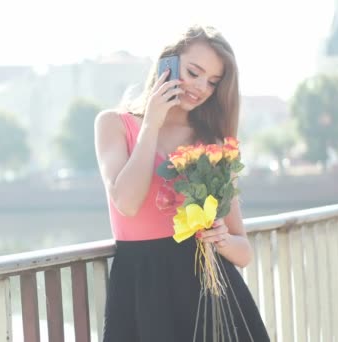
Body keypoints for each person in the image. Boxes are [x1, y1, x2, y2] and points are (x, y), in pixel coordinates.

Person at [93, 25, 270, 341]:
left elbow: (244, 252)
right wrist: (152, 123)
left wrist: (221, 239)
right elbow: (127, 203)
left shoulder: (213, 144)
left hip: (210, 295)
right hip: (142, 292)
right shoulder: (113, 124)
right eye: (194, 72)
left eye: (213, 82)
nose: (201, 87)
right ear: (167, 64)